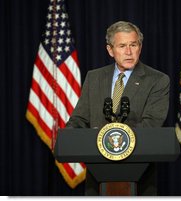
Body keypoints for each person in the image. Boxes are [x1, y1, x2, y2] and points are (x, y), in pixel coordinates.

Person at [66, 21, 170, 196]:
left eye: (133, 45)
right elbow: (80, 118)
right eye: (122, 46)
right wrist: (68, 137)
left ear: (140, 47)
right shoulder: (94, 77)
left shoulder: (157, 80)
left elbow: (151, 125)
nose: (128, 52)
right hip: (98, 172)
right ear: (110, 50)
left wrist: (115, 142)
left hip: (139, 174)